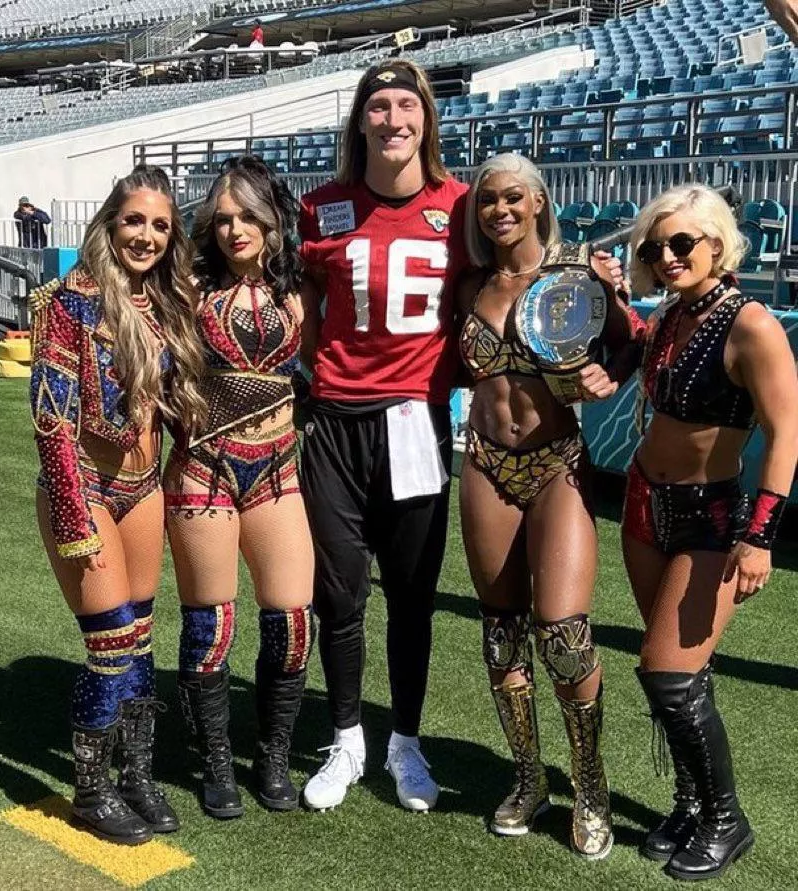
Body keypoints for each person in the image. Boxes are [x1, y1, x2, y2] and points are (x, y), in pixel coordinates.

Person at [454, 153, 639, 860]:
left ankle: (590, 782)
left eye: (511, 198)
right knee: (501, 633)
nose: (499, 210)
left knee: (563, 631)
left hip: (558, 461)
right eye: (487, 201)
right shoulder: (469, 284)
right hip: (483, 464)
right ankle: (529, 777)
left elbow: (629, 347)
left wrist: (606, 370)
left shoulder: (578, 276)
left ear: (537, 202)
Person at [298, 59, 468, 813]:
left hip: (415, 421)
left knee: (411, 595)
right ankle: (345, 738)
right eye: (380, 105)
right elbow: (302, 306)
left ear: (426, 119)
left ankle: (405, 741)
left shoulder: (462, 208)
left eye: (408, 105)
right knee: (337, 592)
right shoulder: (322, 207)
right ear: (360, 120)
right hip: (335, 422)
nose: (395, 118)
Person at [621, 185, 798, 880]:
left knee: (668, 675)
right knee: (684, 677)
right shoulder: (671, 315)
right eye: (655, 246)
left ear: (717, 245)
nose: (667, 255)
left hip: (711, 517)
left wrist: (759, 537)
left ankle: (728, 819)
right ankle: (690, 801)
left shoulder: (749, 322)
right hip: (644, 504)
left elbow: (786, 433)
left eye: (682, 243)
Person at [29, 165, 207, 844]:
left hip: (145, 489)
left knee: (139, 642)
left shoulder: (165, 303)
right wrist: (74, 520)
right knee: (108, 644)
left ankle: (137, 773)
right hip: (86, 485)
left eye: (161, 225)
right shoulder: (69, 303)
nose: (147, 236)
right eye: (135, 220)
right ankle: (91, 788)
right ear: (109, 220)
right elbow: (51, 421)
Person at [164, 155, 314, 819]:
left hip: (279, 468)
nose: (233, 229)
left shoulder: (307, 287)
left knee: (291, 619)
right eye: (222, 218)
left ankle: (274, 754)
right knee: (211, 623)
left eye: (248, 215)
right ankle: (217, 759)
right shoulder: (187, 290)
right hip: (206, 469)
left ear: (273, 218)